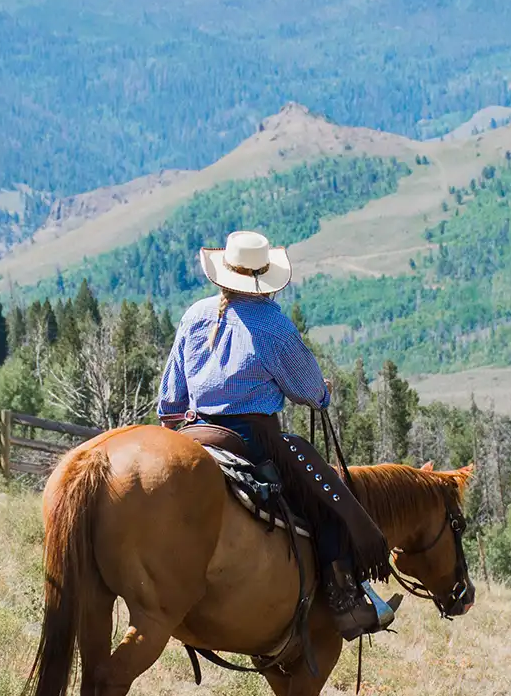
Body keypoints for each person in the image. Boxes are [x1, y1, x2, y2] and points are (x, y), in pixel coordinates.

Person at [157, 230, 393, 640]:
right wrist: (322, 393)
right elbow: (311, 392)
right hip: (252, 439)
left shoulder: (195, 315)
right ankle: (345, 599)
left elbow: (169, 402)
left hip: (191, 434)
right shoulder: (273, 326)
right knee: (324, 500)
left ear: (223, 274)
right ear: (264, 277)